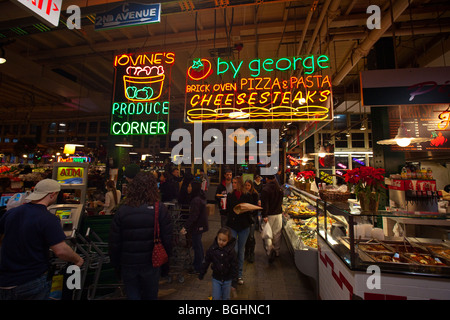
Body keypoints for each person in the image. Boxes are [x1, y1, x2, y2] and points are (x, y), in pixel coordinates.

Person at [0, 179, 84, 300]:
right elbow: (61, 250)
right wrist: (77, 259)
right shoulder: (48, 219)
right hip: (31, 280)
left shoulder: (11, 213)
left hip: (5, 280)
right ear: (52, 195)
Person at [109, 172, 173, 300]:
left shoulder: (122, 210)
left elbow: (114, 242)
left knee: (132, 295)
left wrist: (116, 265)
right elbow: (168, 240)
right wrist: (166, 265)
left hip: (128, 264)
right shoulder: (159, 209)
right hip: (151, 263)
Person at [225, 176, 252, 285]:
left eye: (235, 182)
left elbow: (250, 210)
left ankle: (239, 275)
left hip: (244, 226)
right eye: (233, 182)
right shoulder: (230, 195)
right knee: (234, 250)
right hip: (233, 225)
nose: (233, 184)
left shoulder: (247, 195)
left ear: (240, 184)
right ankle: (233, 273)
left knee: (241, 251)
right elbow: (228, 210)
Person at [199, 227, 238, 300]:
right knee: (216, 297)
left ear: (228, 240)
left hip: (227, 279)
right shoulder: (212, 249)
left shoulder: (231, 251)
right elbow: (206, 261)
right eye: (219, 239)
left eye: (224, 240)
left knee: (226, 298)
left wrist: (234, 282)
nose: (221, 242)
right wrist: (202, 273)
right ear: (217, 237)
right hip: (216, 278)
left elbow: (234, 266)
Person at [180, 181, 208, 274]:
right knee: (197, 246)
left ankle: (198, 267)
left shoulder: (196, 200)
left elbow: (193, 216)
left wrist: (185, 227)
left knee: (197, 246)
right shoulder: (199, 198)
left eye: (189, 186)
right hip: (199, 226)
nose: (188, 188)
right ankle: (198, 265)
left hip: (197, 226)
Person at [261, 175, 284, 263]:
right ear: (274, 178)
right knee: (277, 233)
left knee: (268, 234)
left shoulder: (265, 190)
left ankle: (270, 250)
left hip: (269, 214)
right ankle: (277, 251)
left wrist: (264, 215)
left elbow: (265, 204)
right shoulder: (280, 189)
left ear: (267, 179)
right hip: (278, 213)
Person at [244, 179, 259, 263]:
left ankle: (251, 253)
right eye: (246, 185)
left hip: (252, 217)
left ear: (251, 186)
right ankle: (246, 252)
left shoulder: (255, 194)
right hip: (245, 217)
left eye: (248, 185)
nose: (247, 187)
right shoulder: (244, 193)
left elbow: (255, 207)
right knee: (246, 235)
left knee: (251, 236)